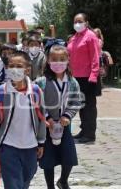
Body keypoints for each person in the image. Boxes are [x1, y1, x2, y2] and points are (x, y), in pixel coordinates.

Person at [0, 51, 46, 189]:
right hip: (8, 147)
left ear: (27, 69)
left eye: (19, 66)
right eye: (11, 66)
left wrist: (41, 142)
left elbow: (41, 117)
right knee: (12, 183)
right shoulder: (1, 92)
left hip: (30, 147)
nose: (14, 69)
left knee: (26, 180)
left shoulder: (36, 91)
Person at [35, 45, 81, 189]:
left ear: (68, 60)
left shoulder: (72, 82)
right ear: (48, 61)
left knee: (69, 156)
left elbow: (76, 101)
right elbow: (36, 102)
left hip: (64, 125)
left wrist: (68, 115)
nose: (58, 62)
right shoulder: (41, 82)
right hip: (47, 126)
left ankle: (63, 180)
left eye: (62, 59)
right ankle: (50, 186)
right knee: (47, 159)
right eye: (54, 59)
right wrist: (46, 117)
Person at [67, 13, 100, 143]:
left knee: (89, 107)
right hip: (75, 77)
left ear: (86, 22)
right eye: (75, 21)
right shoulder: (74, 37)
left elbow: (95, 57)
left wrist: (93, 75)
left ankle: (90, 134)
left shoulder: (91, 36)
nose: (77, 24)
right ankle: (84, 130)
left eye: (80, 21)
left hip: (88, 77)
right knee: (80, 105)